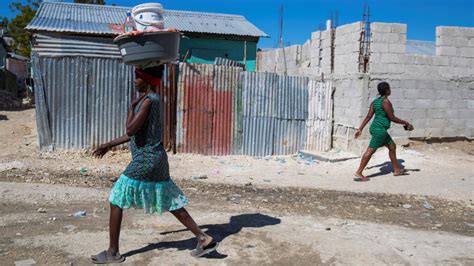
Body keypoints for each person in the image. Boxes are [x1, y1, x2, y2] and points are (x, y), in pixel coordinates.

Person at [90, 67, 218, 264]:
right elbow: (132, 132)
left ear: (147, 80)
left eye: (138, 77)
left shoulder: (149, 101)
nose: (135, 81)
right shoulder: (148, 100)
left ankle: (113, 252)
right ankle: (203, 238)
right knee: (169, 199)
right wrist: (108, 145)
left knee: (116, 197)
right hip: (156, 158)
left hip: (147, 159)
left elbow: (130, 128)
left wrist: (130, 109)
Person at [354, 82, 413, 182]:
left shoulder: (375, 102)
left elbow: (369, 116)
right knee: (370, 150)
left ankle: (397, 170)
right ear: (386, 90)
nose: (390, 90)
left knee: (392, 146)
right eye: (389, 88)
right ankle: (358, 172)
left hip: (376, 128)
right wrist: (406, 123)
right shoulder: (385, 102)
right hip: (379, 130)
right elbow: (392, 118)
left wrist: (360, 128)